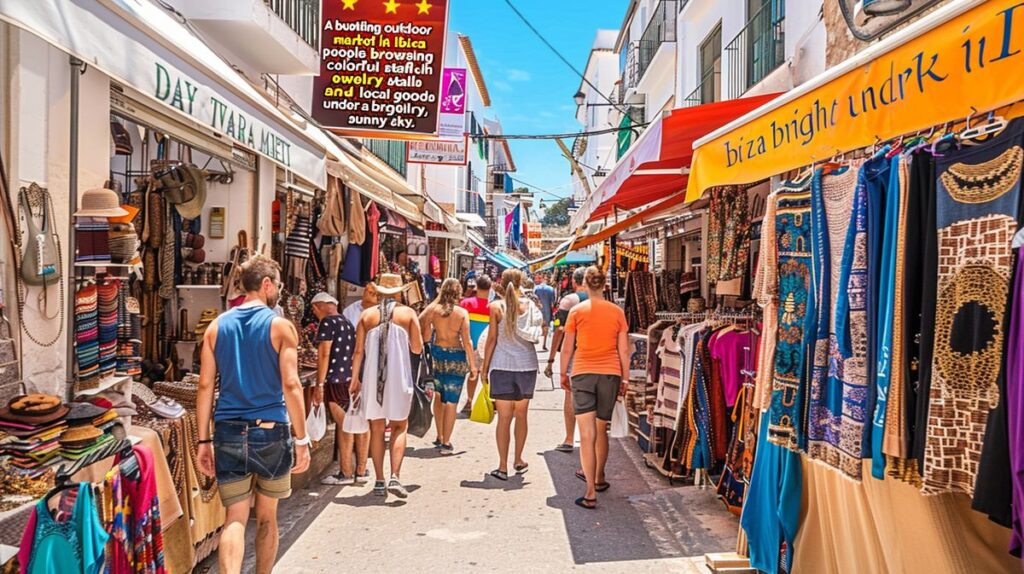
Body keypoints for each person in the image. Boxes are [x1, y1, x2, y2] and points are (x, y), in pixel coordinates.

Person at [196, 255, 310, 574]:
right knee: (267, 516)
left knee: (234, 517)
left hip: (228, 431)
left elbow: (205, 385)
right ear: (266, 284)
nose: (279, 293)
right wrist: (302, 438)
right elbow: (291, 384)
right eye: (278, 286)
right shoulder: (280, 326)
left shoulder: (217, 326)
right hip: (272, 432)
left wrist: (203, 440)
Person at [560, 266, 629, 510]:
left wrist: (562, 372)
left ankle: (590, 491)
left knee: (586, 434)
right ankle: (600, 477)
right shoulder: (617, 312)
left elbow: (567, 347)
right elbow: (623, 350)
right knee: (601, 430)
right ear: (605, 286)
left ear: (585, 285)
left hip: (582, 373)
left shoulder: (576, 311)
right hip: (610, 374)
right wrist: (626, 378)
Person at [349, 274, 424, 498]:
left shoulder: (366, 316)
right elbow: (418, 348)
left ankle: (379, 481)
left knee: (377, 429)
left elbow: (358, 352)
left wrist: (355, 379)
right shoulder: (408, 313)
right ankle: (395, 477)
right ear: (399, 292)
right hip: (399, 377)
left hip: (372, 380)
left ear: (379, 291)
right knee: (400, 426)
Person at [481, 269, 543, 481]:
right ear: (521, 283)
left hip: (502, 365)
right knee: (522, 415)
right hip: (526, 366)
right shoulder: (530, 306)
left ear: (501, 281)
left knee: (504, 418)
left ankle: (502, 466)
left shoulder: (496, 307)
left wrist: (484, 368)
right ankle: (518, 459)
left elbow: (491, 340)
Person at [310, 292, 369, 486]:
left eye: (314, 308)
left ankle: (345, 472)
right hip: (350, 379)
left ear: (321, 306)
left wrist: (319, 384)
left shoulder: (327, 323)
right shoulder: (346, 322)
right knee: (358, 424)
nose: (314, 312)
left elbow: (324, 354)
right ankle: (361, 469)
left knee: (344, 426)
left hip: (335, 380)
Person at [419, 278, 477, 454]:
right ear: (459, 292)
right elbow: (467, 341)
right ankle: (446, 442)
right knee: (451, 401)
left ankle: (439, 435)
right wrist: (473, 366)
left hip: (437, 356)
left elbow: (426, 333)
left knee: (439, 396)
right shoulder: (462, 313)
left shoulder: (433, 311)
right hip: (456, 357)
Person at [545, 267, 588, 453]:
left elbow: (559, 331)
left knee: (570, 394)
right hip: (599, 354)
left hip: (575, 354)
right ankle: (589, 439)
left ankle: (570, 438)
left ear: (573, 282)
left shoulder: (570, 300)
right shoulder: (603, 301)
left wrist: (551, 358)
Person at [459, 274, 493, 414]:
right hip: (488, 346)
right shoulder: (493, 306)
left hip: (471, 345)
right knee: (487, 375)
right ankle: (489, 401)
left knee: (473, 374)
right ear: (490, 288)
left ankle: (469, 401)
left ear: (476, 287)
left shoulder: (466, 304)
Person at [534, 275, 557, 351]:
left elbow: (534, 300)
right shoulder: (551, 289)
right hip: (547, 310)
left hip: (538, 310)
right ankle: (544, 344)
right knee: (546, 327)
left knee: (537, 325)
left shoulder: (536, 288)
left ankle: (535, 340)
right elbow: (553, 302)